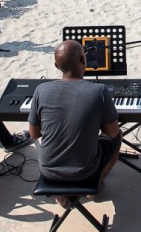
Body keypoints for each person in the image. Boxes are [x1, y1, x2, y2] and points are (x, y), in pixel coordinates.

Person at [28, 41, 121, 198]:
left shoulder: (41, 90)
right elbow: (112, 132)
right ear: (84, 60)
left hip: (48, 170)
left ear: (57, 67)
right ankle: (97, 182)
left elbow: (34, 134)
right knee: (117, 138)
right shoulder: (99, 91)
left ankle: (61, 196)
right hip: (85, 172)